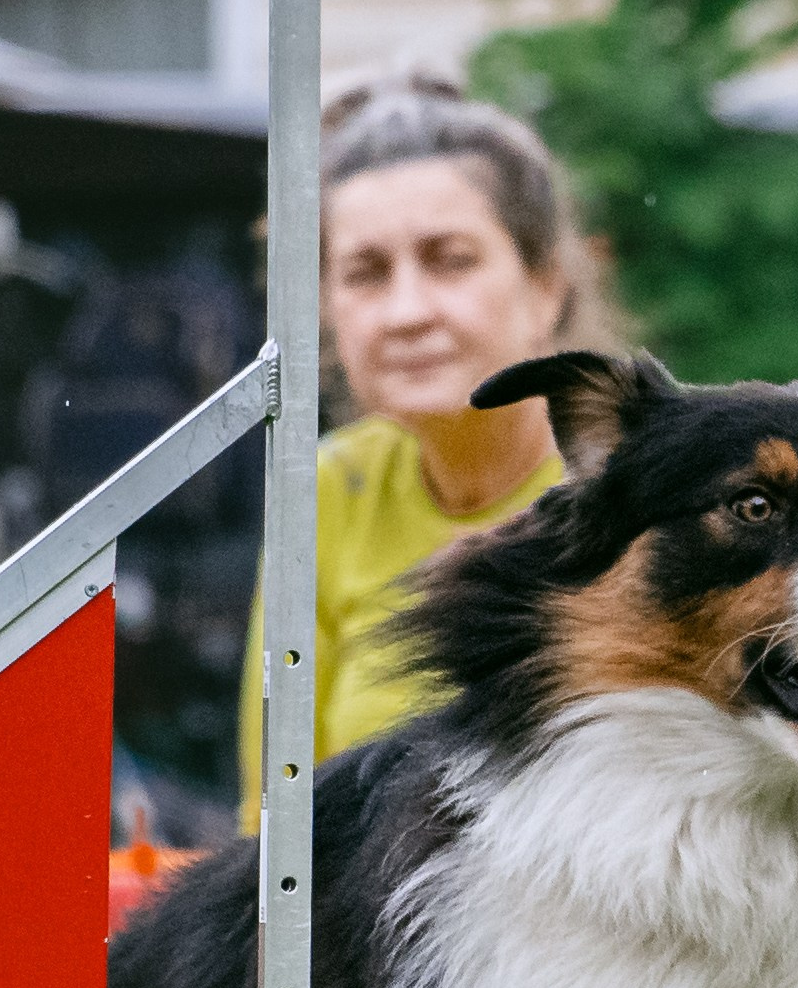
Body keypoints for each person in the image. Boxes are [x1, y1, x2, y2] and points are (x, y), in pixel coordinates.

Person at [237, 68, 620, 823]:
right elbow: (274, 826)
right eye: (367, 273)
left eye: (450, 260)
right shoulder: (328, 489)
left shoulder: (640, 491)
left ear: (546, 287)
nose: (406, 311)